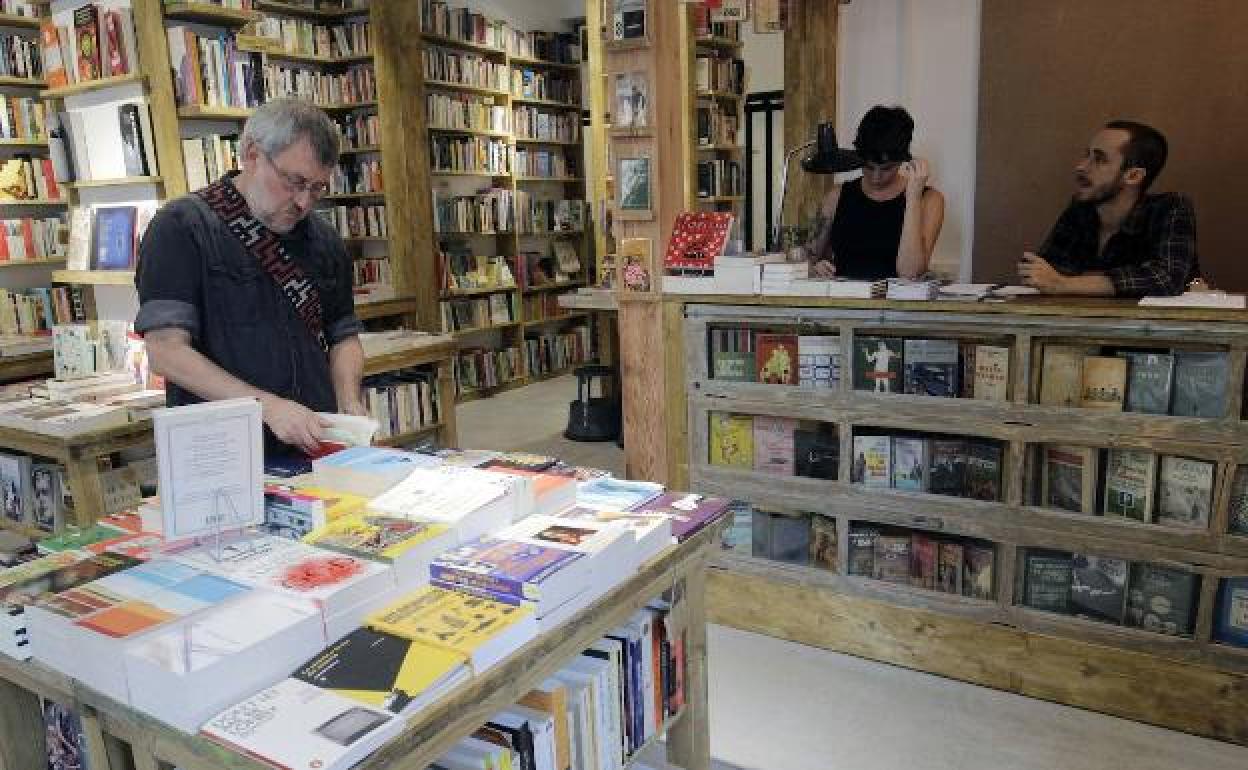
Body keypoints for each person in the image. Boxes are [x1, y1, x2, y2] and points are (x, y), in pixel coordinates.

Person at [135, 99, 365, 456]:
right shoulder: (181, 228)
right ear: (252, 154)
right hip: (219, 451)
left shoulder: (324, 240)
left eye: (317, 188)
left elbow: (343, 336)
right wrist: (268, 407)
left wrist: (350, 404)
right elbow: (166, 351)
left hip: (315, 440)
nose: (304, 202)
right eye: (294, 182)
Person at [1019, 120, 1199, 297]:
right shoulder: (1081, 208)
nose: (1081, 167)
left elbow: (1165, 279)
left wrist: (1065, 283)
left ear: (1133, 175)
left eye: (1099, 159)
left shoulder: (1170, 208)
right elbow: (1042, 271)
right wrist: (1069, 281)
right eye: (1086, 155)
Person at [805, 105, 945, 281]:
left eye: (887, 169)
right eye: (869, 167)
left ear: (904, 160)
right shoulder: (837, 196)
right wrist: (814, 268)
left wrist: (913, 198)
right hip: (843, 302)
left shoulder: (929, 200)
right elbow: (807, 257)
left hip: (898, 306)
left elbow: (910, 273)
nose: (876, 178)